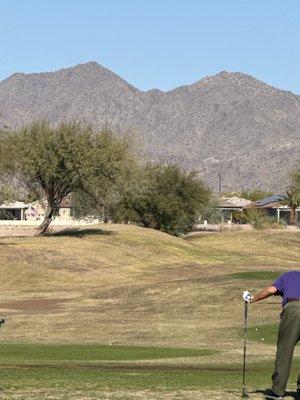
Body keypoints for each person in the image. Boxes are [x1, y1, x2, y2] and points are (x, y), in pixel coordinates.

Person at [243, 270, 300, 400]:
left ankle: (278, 391)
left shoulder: (287, 276)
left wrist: (252, 299)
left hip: (294, 310)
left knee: (285, 350)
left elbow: (270, 290)